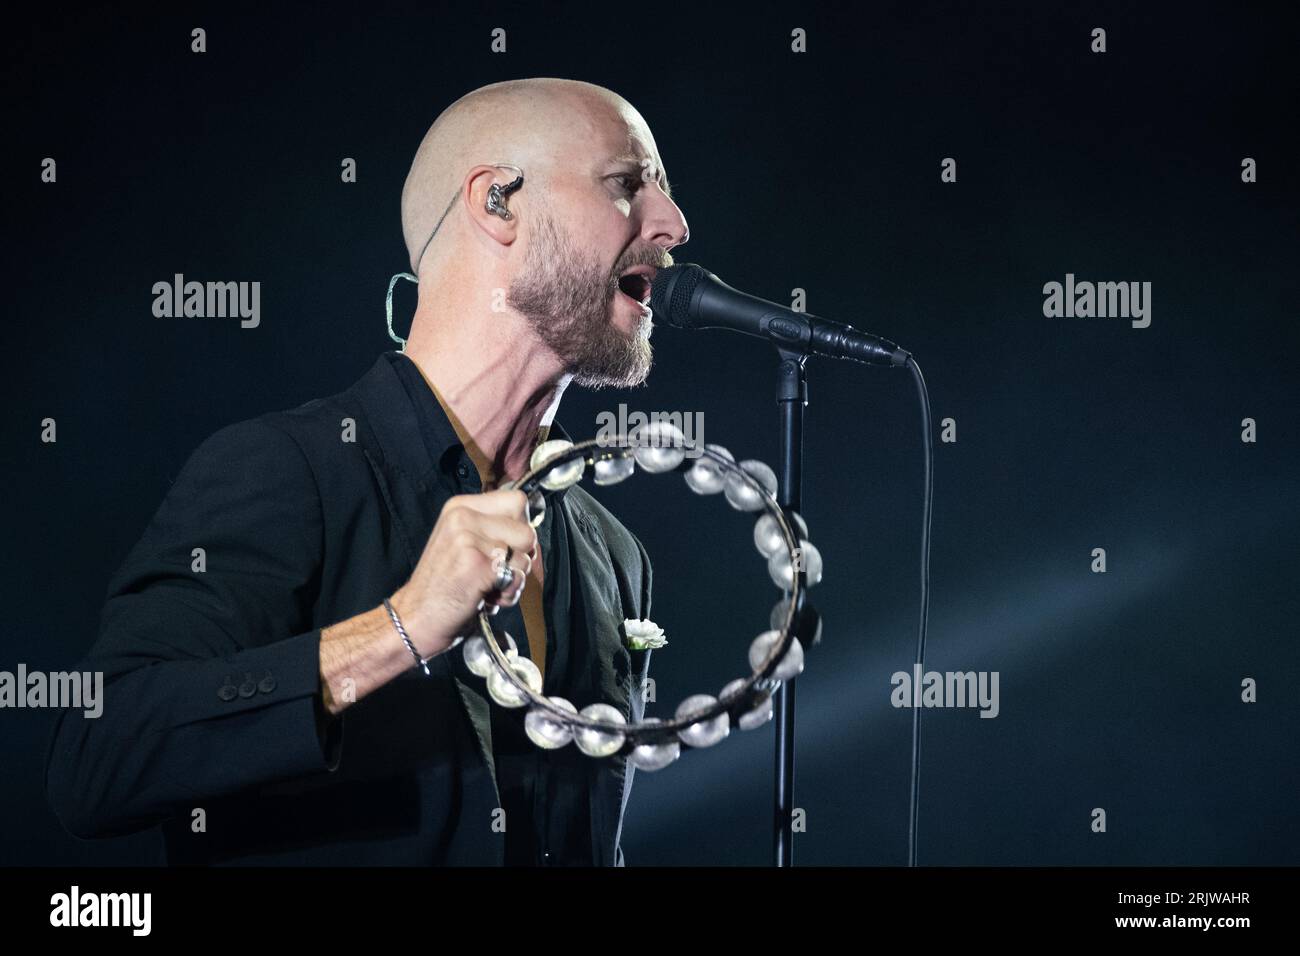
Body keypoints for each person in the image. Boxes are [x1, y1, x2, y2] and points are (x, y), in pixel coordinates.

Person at [44, 77, 691, 866]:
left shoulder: (613, 555)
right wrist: (401, 628)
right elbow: (98, 755)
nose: (673, 224)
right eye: (627, 183)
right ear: (498, 203)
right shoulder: (289, 470)